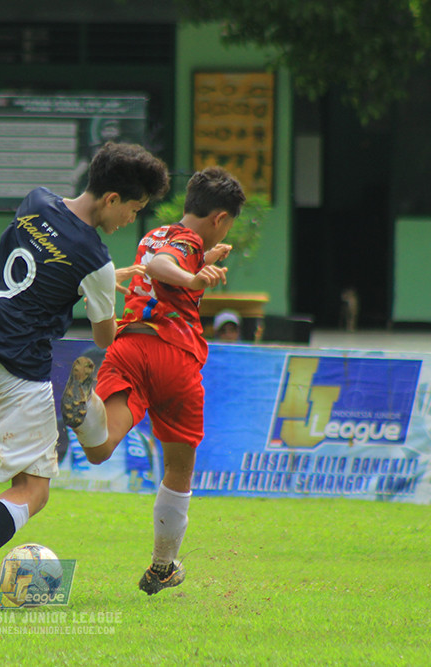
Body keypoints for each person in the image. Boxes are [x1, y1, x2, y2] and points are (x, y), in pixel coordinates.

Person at [0, 142, 170, 609]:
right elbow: (102, 337)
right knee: (33, 490)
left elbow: (40, 265)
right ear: (112, 198)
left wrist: (95, 280)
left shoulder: (36, 201)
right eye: (133, 210)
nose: (129, 222)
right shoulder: (94, 259)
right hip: (18, 373)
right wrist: (111, 300)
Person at [64, 166, 245, 596]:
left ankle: (85, 408)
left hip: (130, 350)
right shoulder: (187, 245)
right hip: (176, 358)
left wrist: (205, 262)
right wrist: (194, 276)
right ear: (219, 218)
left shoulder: (160, 233)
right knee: (179, 468)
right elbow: (162, 265)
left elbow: (158, 255)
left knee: (100, 446)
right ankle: (163, 566)